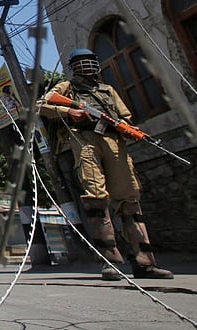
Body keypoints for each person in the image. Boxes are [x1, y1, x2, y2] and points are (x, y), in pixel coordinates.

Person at [37, 48, 174, 281]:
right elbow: (42, 105)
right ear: (73, 67)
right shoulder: (67, 88)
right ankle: (110, 261)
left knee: (129, 198)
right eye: (80, 63)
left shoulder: (107, 90)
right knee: (96, 197)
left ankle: (144, 262)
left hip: (114, 141)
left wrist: (127, 128)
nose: (86, 66)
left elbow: (125, 117)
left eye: (90, 61)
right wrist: (70, 111)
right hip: (85, 140)